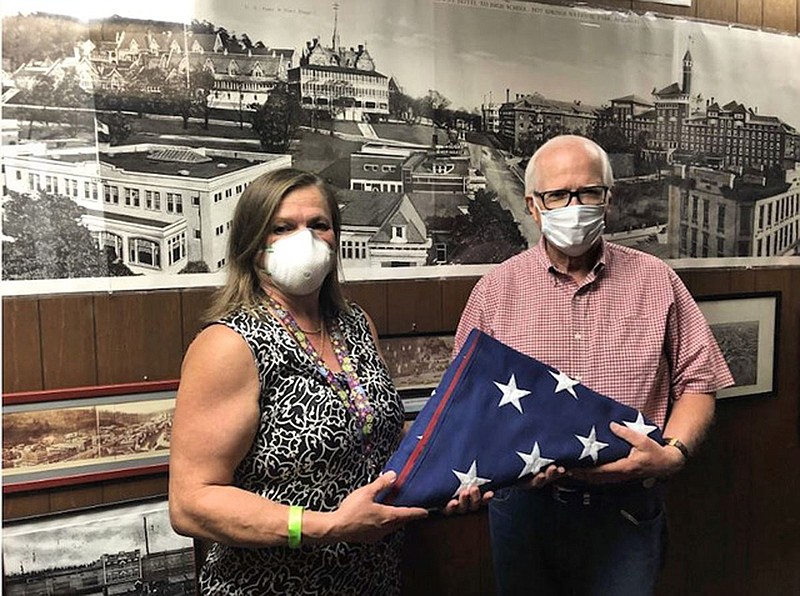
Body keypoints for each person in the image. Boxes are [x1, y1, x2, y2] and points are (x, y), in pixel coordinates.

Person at [169, 168, 481, 595]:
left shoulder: (355, 324)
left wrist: (451, 476)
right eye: (283, 228)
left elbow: (373, 436)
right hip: (271, 585)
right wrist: (329, 527)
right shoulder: (228, 346)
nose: (306, 239)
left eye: (319, 225)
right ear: (252, 243)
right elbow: (191, 504)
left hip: (372, 581)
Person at [453, 135, 733, 595]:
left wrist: (672, 454)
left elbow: (699, 381)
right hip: (525, 512)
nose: (573, 205)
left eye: (588, 192)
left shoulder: (657, 281)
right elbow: (467, 403)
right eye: (558, 195)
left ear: (609, 199)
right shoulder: (495, 292)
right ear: (532, 205)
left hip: (626, 510)